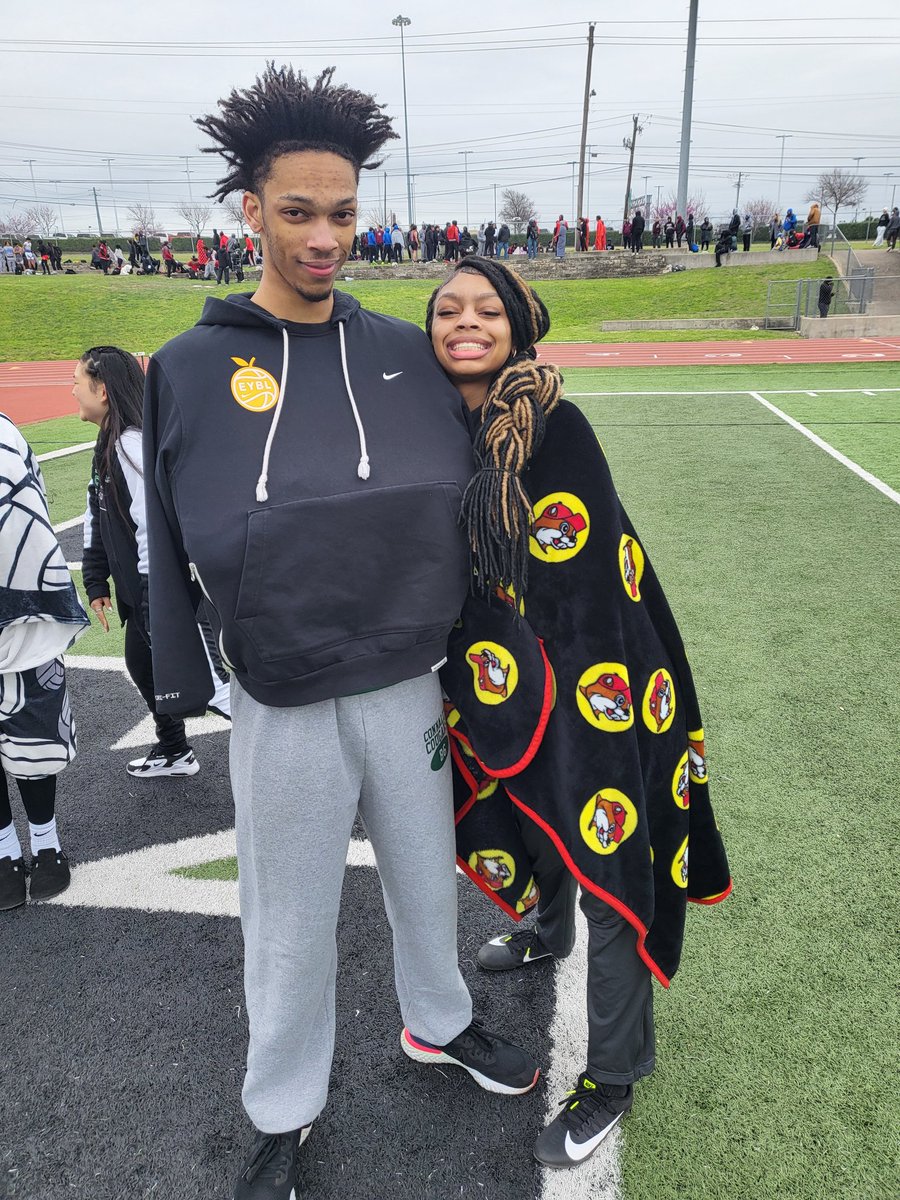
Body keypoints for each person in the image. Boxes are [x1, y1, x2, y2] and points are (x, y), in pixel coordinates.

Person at [144, 64, 540, 1200]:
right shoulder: (185, 369)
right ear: (251, 212)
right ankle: (283, 1108)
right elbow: (165, 540)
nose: (326, 238)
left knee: (429, 878)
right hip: (285, 700)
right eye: (300, 212)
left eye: (345, 214)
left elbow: (486, 481)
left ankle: (439, 1023)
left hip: (408, 681)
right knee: (289, 920)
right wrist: (181, 680)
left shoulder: (407, 354)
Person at [425, 257, 731, 1170]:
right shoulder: (434, 424)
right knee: (523, 807)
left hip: (597, 682)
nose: (465, 323)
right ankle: (541, 929)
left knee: (609, 864)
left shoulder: (560, 425)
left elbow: (590, 589)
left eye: (486, 310)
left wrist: (579, 712)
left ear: (519, 327)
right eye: (448, 310)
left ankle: (615, 1073)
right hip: (497, 674)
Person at [75, 346, 229, 778]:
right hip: (141, 593)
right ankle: (175, 750)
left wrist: (151, 599)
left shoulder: (130, 445)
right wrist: (97, 583)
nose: (72, 392)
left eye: (76, 383)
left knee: (217, 688)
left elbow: (151, 529)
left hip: (162, 592)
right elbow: (98, 514)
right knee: (142, 665)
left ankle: (291, 761)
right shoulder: (108, 443)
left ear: (102, 390)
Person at [0, 414, 90, 911]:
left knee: (34, 744)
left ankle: (46, 841)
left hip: (25, 624)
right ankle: (5, 851)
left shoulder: (5, 434)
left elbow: (27, 517)